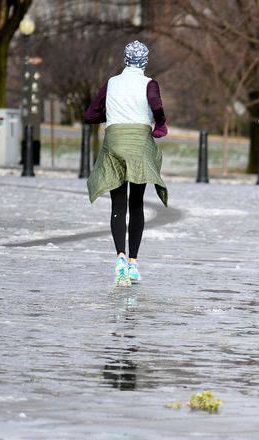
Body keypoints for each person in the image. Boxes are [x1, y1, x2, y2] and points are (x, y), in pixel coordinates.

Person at [84, 40, 169, 287]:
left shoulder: (111, 83)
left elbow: (90, 115)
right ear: (144, 61)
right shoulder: (149, 84)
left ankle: (119, 257)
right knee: (137, 203)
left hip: (114, 143)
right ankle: (132, 263)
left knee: (117, 203)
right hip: (139, 145)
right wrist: (160, 124)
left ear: (125, 59)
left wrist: (110, 115)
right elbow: (157, 107)